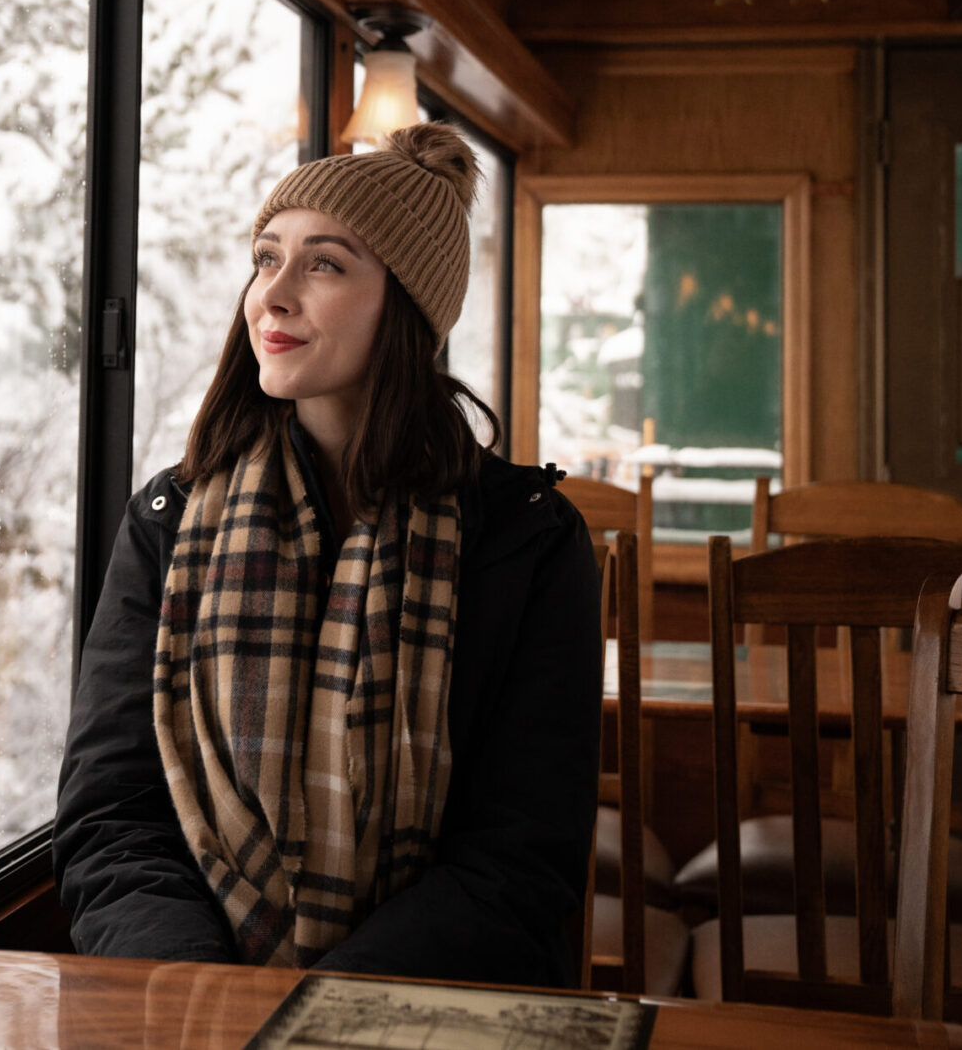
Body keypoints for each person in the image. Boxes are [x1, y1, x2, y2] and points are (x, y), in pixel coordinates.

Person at [53, 123, 601, 985]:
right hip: (196, 1010)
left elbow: (519, 862)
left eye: (325, 264)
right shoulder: (169, 520)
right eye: (266, 259)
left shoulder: (525, 541)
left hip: (428, 1014)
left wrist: (321, 1012)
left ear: (409, 305)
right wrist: (211, 994)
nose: (273, 295)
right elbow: (112, 821)